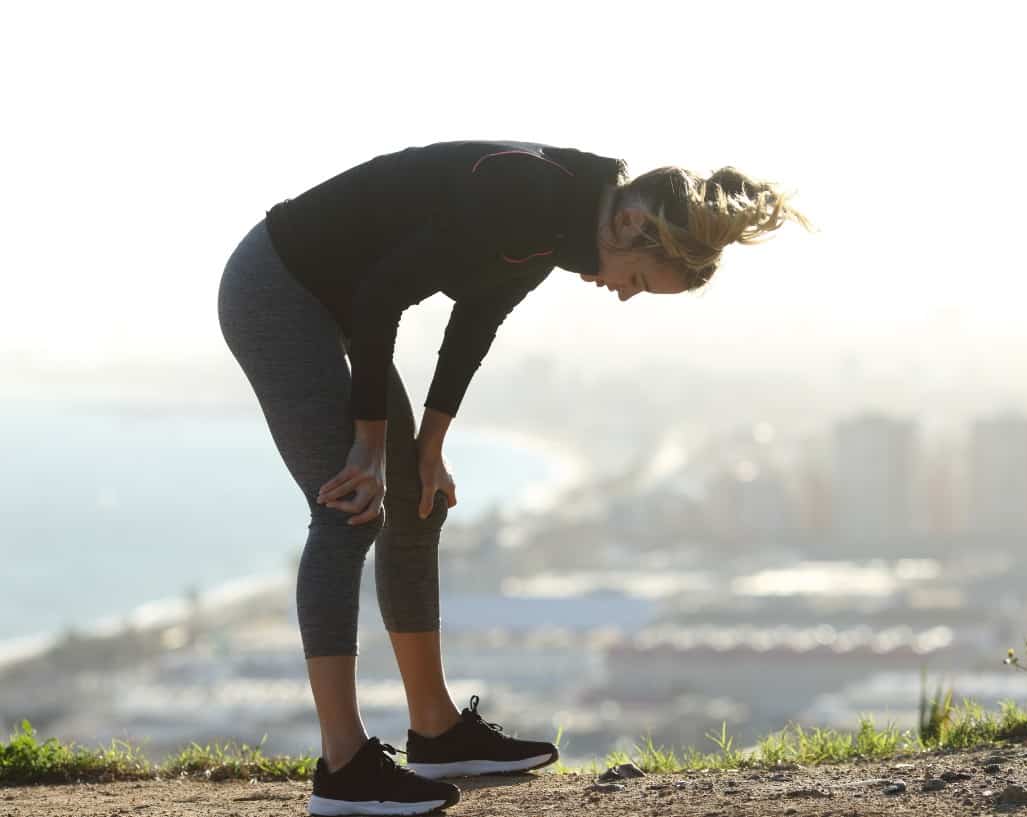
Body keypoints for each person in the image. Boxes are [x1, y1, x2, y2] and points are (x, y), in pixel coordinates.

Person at [216, 138, 813, 814]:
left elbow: (477, 319)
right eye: (640, 280)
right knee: (351, 505)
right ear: (630, 225)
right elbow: (380, 297)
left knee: (417, 499)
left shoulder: (560, 222)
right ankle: (343, 767)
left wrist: (429, 446)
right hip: (277, 288)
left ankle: (437, 731)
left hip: (335, 300)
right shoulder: (525, 196)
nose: (624, 295)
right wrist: (368, 448)